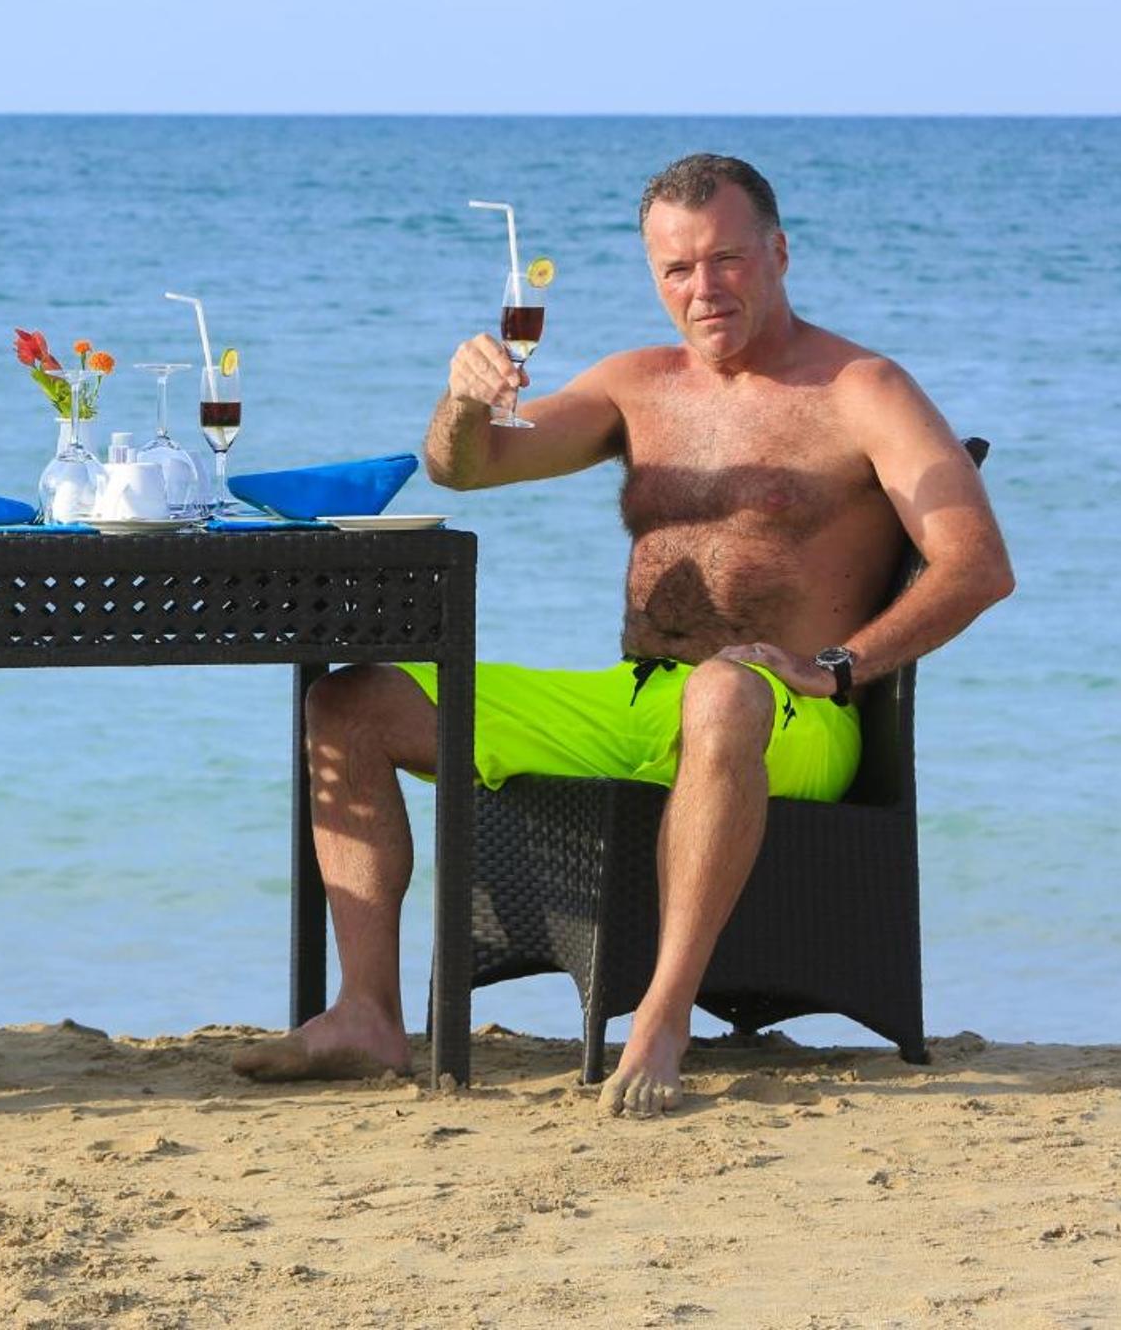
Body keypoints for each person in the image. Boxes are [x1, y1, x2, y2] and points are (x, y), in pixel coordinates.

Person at [234, 153, 1014, 1117]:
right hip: (638, 698)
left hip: (788, 716)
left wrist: (838, 666)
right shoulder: (638, 385)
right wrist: (463, 402)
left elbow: (977, 563)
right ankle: (367, 1014)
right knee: (351, 700)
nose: (703, 288)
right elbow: (467, 467)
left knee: (721, 690)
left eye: (726, 259)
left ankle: (662, 1015)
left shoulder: (863, 389)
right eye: (677, 269)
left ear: (778, 252)